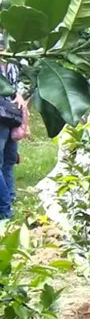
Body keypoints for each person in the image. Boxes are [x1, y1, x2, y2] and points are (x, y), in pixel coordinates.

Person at [0, 43, 30, 222]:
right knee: (6, 163)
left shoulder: (11, 65)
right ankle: (8, 202)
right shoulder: (12, 64)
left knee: (7, 162)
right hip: (9, 116)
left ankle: (6, 208)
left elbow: (16, 89)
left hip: (7, 117)